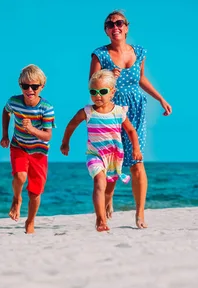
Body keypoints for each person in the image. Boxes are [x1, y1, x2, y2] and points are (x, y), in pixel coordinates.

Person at [90, 9, 172, 229]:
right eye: (110, 24)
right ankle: (108, 198)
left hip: (136, 110)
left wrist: (160, 99)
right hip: (111, 111)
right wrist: (110, 79)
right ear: (106, 30)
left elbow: (141, 79)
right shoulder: (100, 54)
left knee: (137, 161)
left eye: (119, 23)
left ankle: (140, 213)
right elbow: (94, 84)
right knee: (112, 162)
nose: (115, 27)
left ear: (126, 27)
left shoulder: (139, 52)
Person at [60, 69, 142, 232]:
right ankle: (100, 220)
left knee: (109, 190)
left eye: (102, 91)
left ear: (112, 92)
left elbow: (131, 131)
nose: (98, 95)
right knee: (99, 183)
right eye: (93, 92)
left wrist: (136, 149)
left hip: (114, 156)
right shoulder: (87, 111)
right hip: (95, 155)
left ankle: (109, 201)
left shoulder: (119, 112)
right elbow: (71, 125)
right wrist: (65, 143)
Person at [0, 64, 55, 234]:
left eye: (34, 86)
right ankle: (16, 199)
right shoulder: (14, 102)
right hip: (19, 146)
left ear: (42, 87)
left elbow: (47, 136)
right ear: (20, 85)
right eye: (25, 86)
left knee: (35, 192)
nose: (29, 90)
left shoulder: (46, 108)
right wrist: (5, 135)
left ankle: (30, 222)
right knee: (20, 176)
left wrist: (31, 129)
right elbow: (6, 111)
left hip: (39, 152)